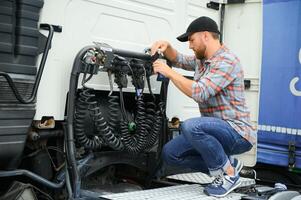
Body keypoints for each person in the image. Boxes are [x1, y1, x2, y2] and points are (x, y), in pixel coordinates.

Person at [151, 16, 256, 197]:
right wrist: (167, 47)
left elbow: (199, 92)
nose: (190, 45)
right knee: (170, 153)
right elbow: (179, 59)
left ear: (205, 36)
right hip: (214, 132)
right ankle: (228, 165)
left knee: (191, 126)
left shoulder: (227, 62)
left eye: (192, 40)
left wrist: (169, 72)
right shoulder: (202, 60)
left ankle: (229, 176)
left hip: (238, 133)